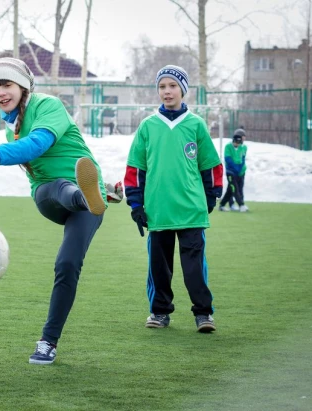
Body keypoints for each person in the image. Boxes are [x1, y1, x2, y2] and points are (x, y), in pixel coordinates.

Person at [0, 57, 123, 364]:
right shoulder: (10, 128)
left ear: (24, 85)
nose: (2, 92)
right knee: (56, 187)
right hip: (48, 196)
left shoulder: (47, 105)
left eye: (7, 84)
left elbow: (38, 143)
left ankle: (48, 342)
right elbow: (31, 158)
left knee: (67, 265)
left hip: (86, 203)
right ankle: (88, 194)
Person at [124, 65, 223, 333]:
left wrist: (212, 194)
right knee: (159, 268)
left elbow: (211, 165)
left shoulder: (195, 124)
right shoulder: (147, 126)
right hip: (158, 211)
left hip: (191, 210)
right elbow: (135, 169)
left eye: (172, 86)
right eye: (162, 86)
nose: (166, 91)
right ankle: (159, 312)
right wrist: (136, 204)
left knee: (194, 269)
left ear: (182, 89)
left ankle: (203, 314)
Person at [219, 129, 248, 212]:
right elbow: (228, 159)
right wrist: (235, 168)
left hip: (240, 172)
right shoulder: (228, 147)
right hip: (231, 172)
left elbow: (243, 159)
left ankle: (222, 205)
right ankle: (241, 205)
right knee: (234, 189)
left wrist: (240, 169)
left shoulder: (244, 147)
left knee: (231, 189)